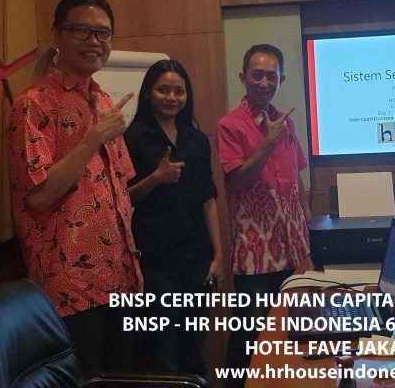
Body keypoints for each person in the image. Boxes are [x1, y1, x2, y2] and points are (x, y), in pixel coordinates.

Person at [7, 0, 139, 377]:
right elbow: (39, 196)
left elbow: (118, 192)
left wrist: (133, 263)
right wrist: (93, 137)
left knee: (122, 380)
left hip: (120, 279)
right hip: (70, 288)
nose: (94, 41)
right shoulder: (33, 104)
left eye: (103, 33)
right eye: (81, 30)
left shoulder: (102, 100)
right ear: (57, 35)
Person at [216, 44, 311, 386]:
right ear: (243, 78)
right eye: (257, 75)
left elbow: (298, 179)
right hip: (255, 253)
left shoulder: (287, 122)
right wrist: (268, 142)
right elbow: (237, 182)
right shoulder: (230, 125)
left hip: (293, 248)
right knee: (249, 337)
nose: (264, 82)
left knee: (290, 333)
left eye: (272, 76)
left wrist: (309, 231)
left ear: (281, 79)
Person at [123, 59, 224, 377]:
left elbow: (208, 199)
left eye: (179, 91)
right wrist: (156, 178)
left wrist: (218, 255)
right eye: (163, 90)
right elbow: (121, 200)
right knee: (163, 354)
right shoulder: (132, 138)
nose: (171, 97)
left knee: (193, 350)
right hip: (156, 262)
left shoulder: (197, 139)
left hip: (197, 259)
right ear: (148, 93)